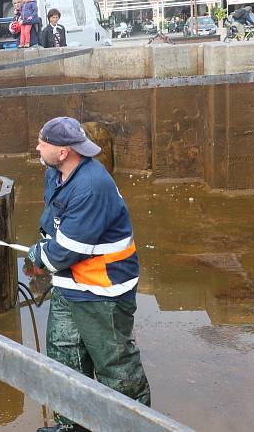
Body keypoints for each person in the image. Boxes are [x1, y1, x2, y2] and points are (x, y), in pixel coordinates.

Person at [25, 117, 150, 432]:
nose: (38, 146)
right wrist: (43, 248)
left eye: (43, 142)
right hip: (71, 285)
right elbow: (52, 222)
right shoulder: (54, 174)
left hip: (102, 289)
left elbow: (68, 249)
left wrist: (40, 256)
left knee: (115, 364)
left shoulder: (91, 185)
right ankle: (73, 424)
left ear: (64, 151)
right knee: (64, 354)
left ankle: (133, 425)